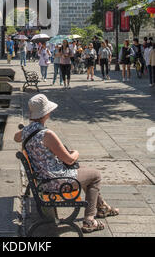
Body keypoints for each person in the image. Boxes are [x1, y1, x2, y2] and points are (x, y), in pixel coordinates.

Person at [14, 94, 119, 233]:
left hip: (43, 180)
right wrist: (76, 152)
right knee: (96, 176)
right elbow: (69, 159)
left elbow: (16, 137)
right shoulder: (47, 134)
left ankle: (103, 207)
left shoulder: (26, 132)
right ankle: (89, 220)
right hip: (57, 181)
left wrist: (28, 127)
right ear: (45, 113)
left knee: (84, 170)